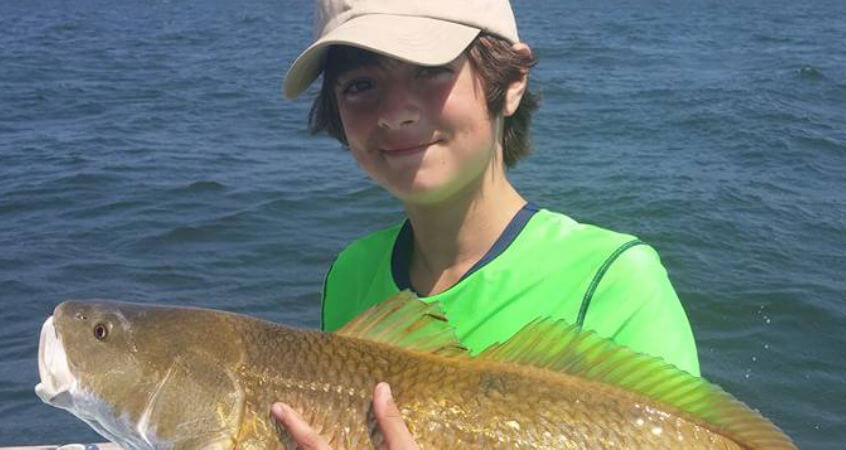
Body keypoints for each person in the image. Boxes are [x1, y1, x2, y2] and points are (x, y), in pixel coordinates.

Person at [271, 0, 700, 447]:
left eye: (430, 68)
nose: (396, 112)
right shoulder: (350, 273)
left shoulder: (613, 283)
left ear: (511, 81)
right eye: (360, 85)